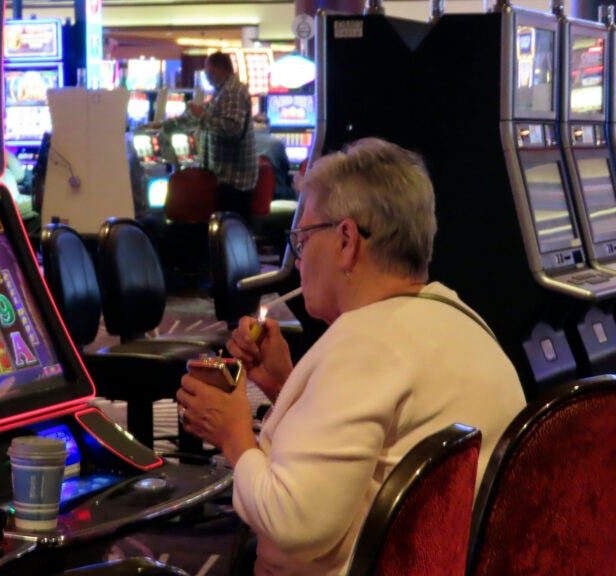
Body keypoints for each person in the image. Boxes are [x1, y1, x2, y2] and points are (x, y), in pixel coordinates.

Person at [176, 137, 526, 575]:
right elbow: (366, 448)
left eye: (301, 240)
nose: (298, 263)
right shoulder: (463, 320)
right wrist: (286, 384)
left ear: (346, 240)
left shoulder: (366, 341)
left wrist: (232, 434)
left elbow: (293, 523)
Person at [159, 51, 258, 222]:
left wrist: (201, 116)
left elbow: (232, 129)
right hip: (226, 177)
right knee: (224, 232)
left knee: (230, 233)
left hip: (233, 179)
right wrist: (164, 125)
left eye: (208, 70)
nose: (207, 75)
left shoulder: (232, 92)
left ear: (219, 68)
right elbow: (199, 117)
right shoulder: (222, 91)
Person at [252, 113, 296, 201]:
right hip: (274, 192)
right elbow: (286, 168)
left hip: (248, 192)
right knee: (297, 191)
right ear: (268, 126)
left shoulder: (243, 144)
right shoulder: (277, 143)